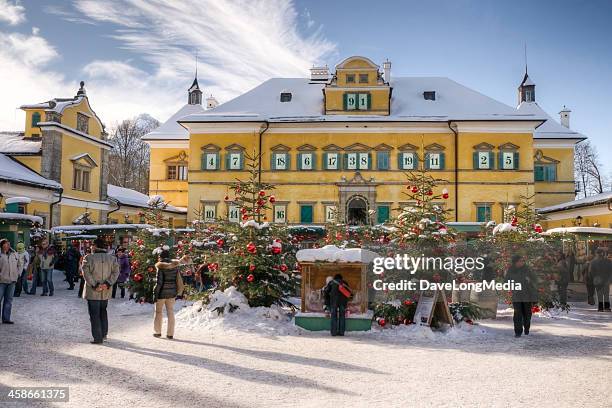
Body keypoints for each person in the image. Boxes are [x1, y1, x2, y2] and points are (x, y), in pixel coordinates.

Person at [81, 238, 119, 344]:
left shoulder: (88, 258)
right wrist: (107, 284)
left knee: (94, 314)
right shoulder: (112, 258)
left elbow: (86, 273)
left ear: (95, 246)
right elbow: (116, 272)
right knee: (103, 312)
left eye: (93, 245)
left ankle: (97, 338)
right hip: (105, 291)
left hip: (93, 291)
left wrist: (95, 285)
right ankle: (103, 334)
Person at [153, 250, 184, 339]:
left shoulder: (160, 266)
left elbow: (159, 282)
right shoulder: (175, 266)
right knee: (170, 312)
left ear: (161, 257)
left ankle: (157, 332)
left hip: (161, 293)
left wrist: (155, 294)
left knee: (158, 312)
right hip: (172, 293)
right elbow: (177, 280)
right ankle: (170, 334)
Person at [506, 254, 538, 337]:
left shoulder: (527, 269)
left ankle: (526, 327)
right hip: (516, 294)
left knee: (527, 313)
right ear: (515, 262)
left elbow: (535, 279)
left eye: (523, 261)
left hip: (527, 294)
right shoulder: (511, 270)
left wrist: (529, 280)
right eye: (520, 261)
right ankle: (518, 332)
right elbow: (506, 281)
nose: (522, 262)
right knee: (517, 313)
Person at [0, 239, 22, 324]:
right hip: (1, 281)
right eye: (6, 244)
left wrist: (18, 274)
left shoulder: (14, 254)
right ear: (2, 245)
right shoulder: (0, 255)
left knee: (9, 300)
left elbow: (19, 264)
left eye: (9, 244)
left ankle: (6, 319)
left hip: (12, 281)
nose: (8, 245)